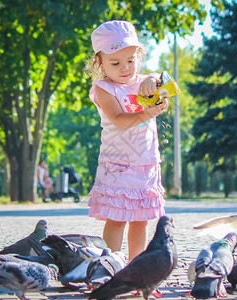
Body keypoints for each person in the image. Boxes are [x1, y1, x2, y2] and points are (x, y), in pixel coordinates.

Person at [85, 20, 168, 261]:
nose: (125, 68)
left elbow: (161, 88)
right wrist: (145, 114)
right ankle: (109, 267)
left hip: (145, 163)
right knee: (117, 219)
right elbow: (119, 120)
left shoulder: (144, 80)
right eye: (116, 63)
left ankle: (135, 269)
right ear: (99, 62)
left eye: (131, 60)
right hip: (118, 165)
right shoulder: (104, 88)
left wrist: (153, 82)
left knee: (141, 222)